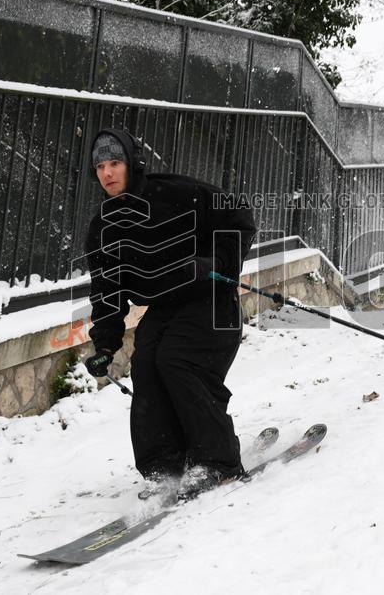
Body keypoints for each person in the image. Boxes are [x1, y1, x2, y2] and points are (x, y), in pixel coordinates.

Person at [82, 128, 257, 500]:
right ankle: (165, 466)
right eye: (100, 166)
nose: (108, 173)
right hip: (165, 305)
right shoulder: (104, 228)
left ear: (131, 163)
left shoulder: (176, 193)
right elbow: (107, 291)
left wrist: (216, 263)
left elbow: (238, 215)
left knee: (178, 360)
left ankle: (217, 463)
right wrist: (105, 343)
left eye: (115, 162)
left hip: (210, 298)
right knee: (146, 364)